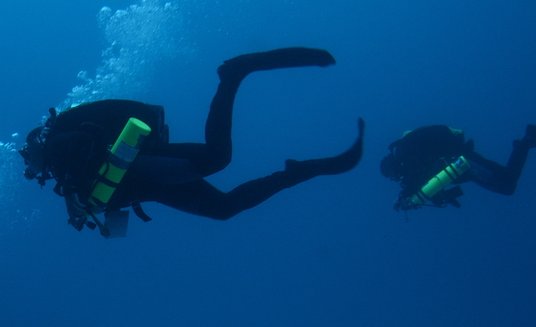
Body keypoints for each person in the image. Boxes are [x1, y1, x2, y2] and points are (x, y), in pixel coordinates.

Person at [19, 46, 365, 236]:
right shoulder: (65, 175)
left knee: (217, 158)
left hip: (144, 164)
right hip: (153, 186)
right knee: (224, 209)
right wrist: (89, 212)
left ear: (35, 146)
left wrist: (74, 195)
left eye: (27, 159)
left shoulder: (59, 150)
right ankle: (300, 172)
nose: (31, 170)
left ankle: (233, 76)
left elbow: (91, 149)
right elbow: (110, 206)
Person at [381, 123, 536, 211]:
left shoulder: (406, 156)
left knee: (508, 179)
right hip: (464, 166)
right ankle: (526, 142)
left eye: (394, 175)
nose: (397, 178)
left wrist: (405, 194)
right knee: (507, 187)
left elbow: (415, 177)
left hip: (463, 161)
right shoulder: (410, 157)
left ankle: (529, 137)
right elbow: (427, 177)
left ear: (393, 166)